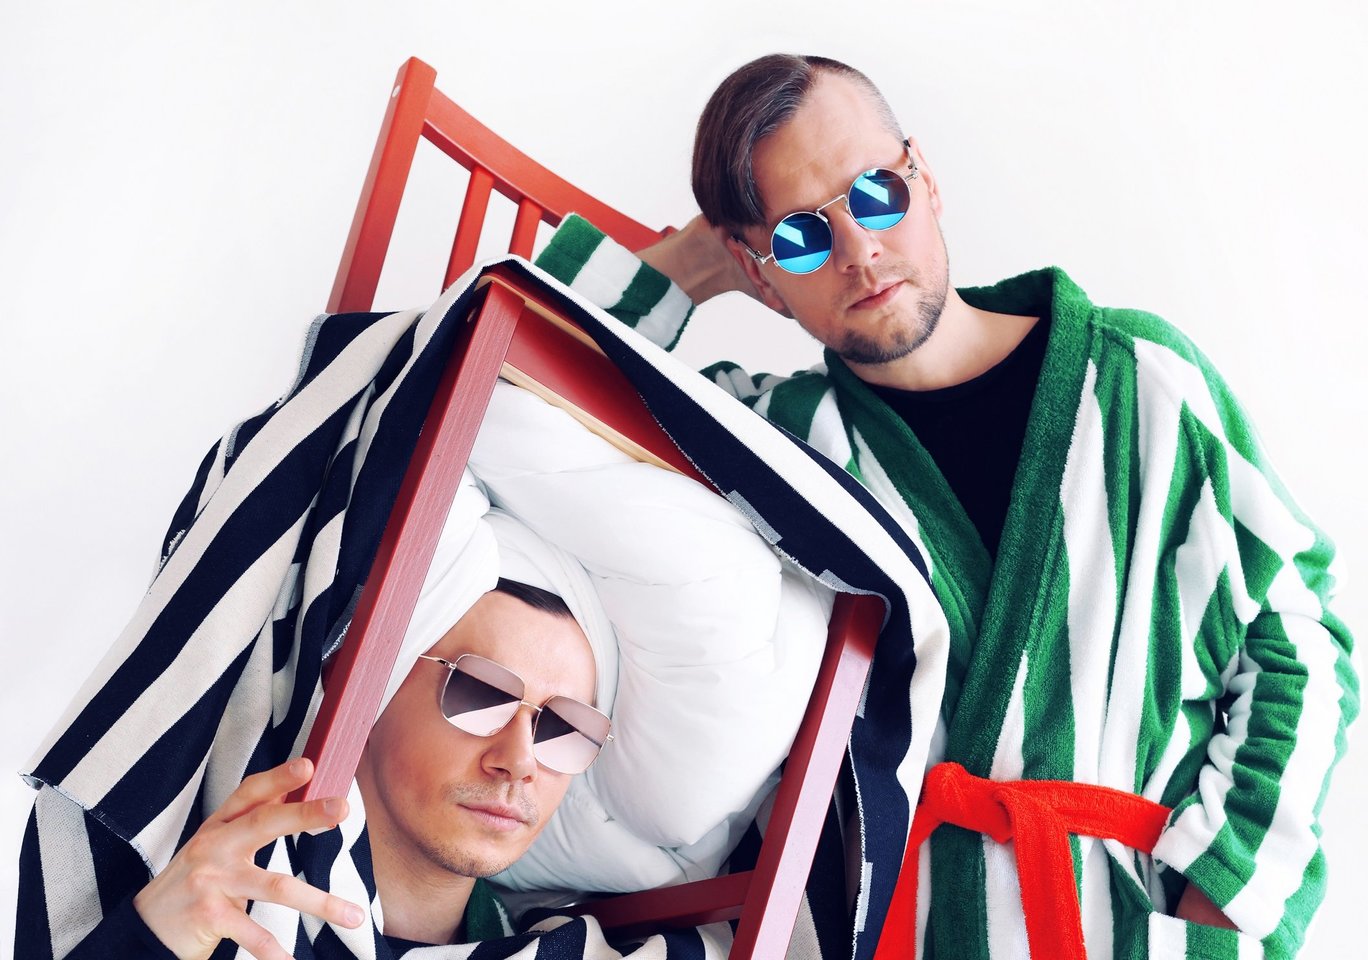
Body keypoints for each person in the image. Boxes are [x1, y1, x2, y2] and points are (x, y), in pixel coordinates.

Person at [530, 53, 1359, 959]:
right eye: (802, 237)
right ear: (760, 274)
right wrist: (697, 262)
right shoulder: (781, 441)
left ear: (925, 177)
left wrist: (1229, 892)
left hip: (1140, 924)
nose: (858, 249)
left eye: (876, 193)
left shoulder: (1139, 381)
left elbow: (1299, 637)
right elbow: (508, 382)